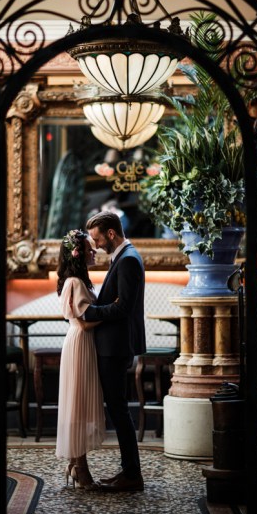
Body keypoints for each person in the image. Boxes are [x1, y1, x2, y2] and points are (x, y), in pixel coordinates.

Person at [84, 210, 146, 492]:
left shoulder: (129, 260)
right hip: (113, 344)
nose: (95, 244)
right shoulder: (124, 257)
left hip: (116, 346)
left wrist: (89, 312)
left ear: (111, 233)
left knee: (119, 410)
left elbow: (124, 307)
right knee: (118, 409)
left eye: (97, 239)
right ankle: (127, 471)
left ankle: (132, 475)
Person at [55, 229, 106, 490]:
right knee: (78, 406)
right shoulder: (75, 282)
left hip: (82, 344)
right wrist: (114, 312)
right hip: (80, 343)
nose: (94, 251)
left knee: (80, 404)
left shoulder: (78, 280)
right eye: (89, 248)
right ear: (77, 254)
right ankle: (81, 468)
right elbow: (85, 324)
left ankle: (76, 464)